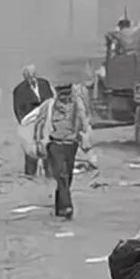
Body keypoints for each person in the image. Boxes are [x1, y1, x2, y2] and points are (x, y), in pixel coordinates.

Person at [33, 83, 91, 221]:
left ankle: (60, 206)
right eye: (62, 95)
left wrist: (85, 135)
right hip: (54, 143)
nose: (65, 98)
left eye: (68, 94)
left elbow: (84, 122)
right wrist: (38, 141)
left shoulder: (77, 104)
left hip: (71, 144)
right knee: (61, 174)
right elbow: (39, 123)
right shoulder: (49, 106)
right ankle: (67, 206)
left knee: (68, 175)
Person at [13, 65, 54, 177]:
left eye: (32, 75)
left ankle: (49, 175)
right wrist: (26, 122)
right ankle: (30, 176)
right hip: (30, 124)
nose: (31, 78)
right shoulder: (19, 90)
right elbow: (18, 110)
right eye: (28, 76)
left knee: (48, 148)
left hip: (46, 123)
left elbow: (50, 100)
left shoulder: (44, 84)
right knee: (31, 151)